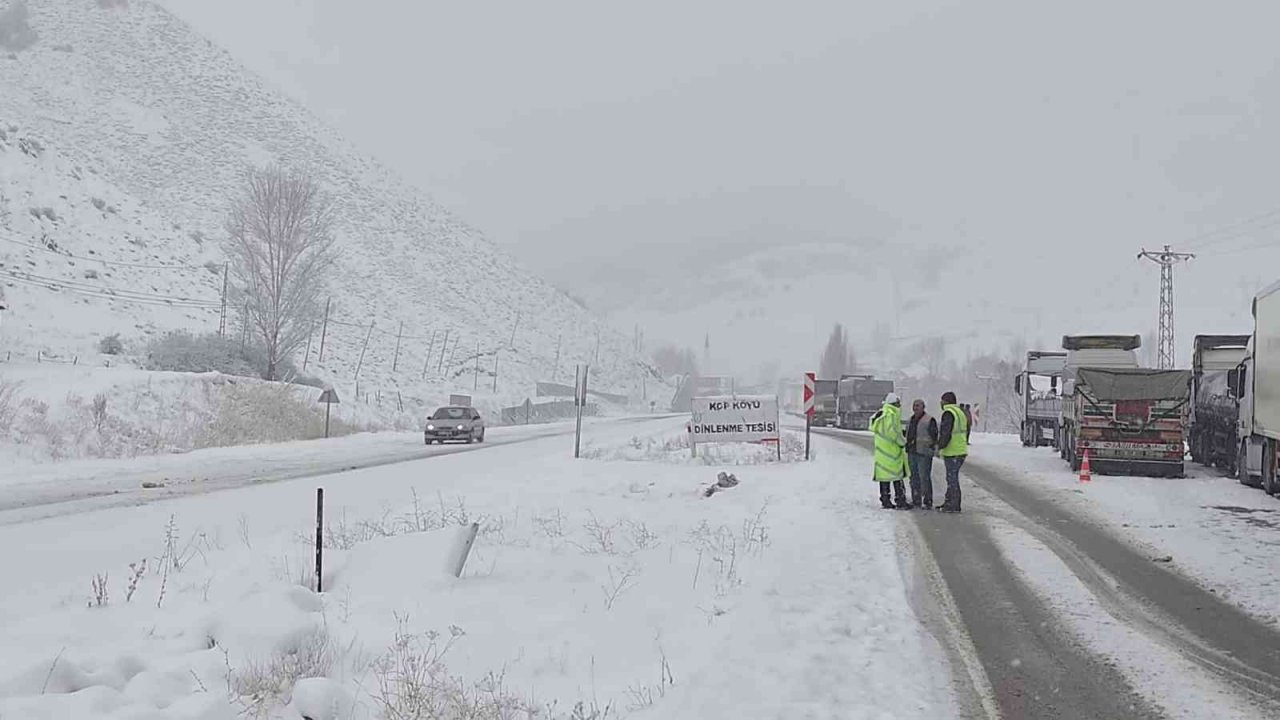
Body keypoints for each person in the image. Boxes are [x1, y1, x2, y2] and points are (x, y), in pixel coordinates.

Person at [870, 392, 909, 509]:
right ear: (895, 403)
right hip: (893, 452)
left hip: (881, 453)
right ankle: (900, 500)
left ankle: (885, 500)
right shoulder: (891, 415)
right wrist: (903, 442)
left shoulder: (880, 414)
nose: (900, 406)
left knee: (884, 478)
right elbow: (894, 433)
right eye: (898, 403)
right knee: (897, 477)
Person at [937, 391, 969, 512]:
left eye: (942, 400)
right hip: (961, 449)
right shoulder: (960, 412)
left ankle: (954, 504)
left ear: (946, 401)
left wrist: (939, 446)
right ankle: (949, 502)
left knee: (952, 479)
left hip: (952, 450)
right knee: (951, 477)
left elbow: (946, 433)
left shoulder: (948, 413)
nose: (940, 403)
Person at [905, 398, 938, 509]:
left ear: (923, 407)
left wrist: (931, 448)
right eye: (914, 405)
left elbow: (934, 436)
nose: (915, 408)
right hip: (912, 452)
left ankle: (927, 500)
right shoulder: (910, 420)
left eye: (918, 405)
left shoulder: (929, 420)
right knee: (914, 477)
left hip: (924, 453)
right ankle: (916, 500)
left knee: (924, 477)